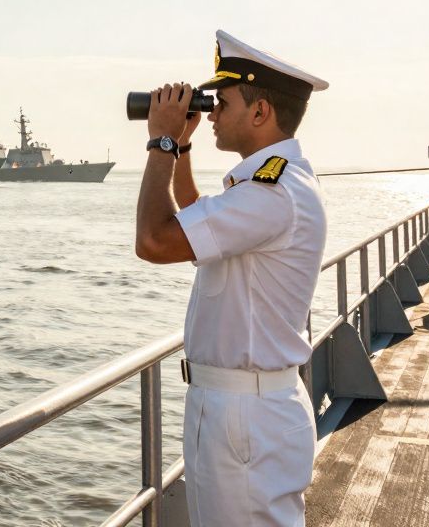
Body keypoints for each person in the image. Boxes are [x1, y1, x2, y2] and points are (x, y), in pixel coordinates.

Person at [134, 30, 328, 527]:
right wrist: (180, 147)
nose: (213, 113)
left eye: (221, 102)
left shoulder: (271, 194)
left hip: (246, 417)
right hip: (237, 410)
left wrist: (159, 142)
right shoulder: (267, 187)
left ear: (260, 112)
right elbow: (200, 218)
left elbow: (155, 241)